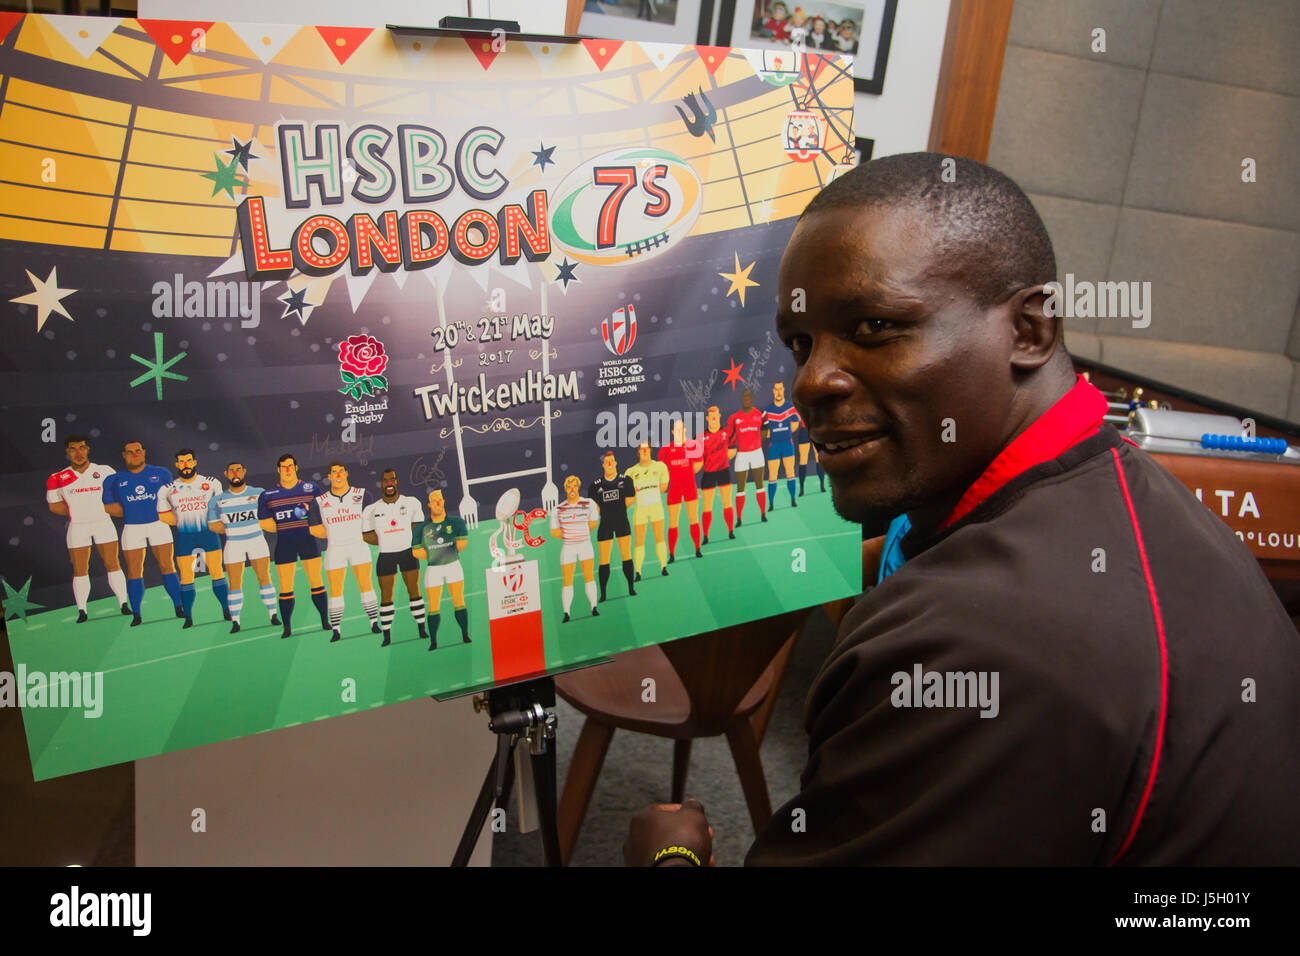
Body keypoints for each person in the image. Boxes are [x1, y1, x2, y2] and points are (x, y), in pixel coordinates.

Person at [625, 152, 1300, 866]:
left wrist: (668, 860)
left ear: (1029, 333)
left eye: (875, 325)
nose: (810, 380)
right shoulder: (1120, 492)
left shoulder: (973, 648)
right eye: (801, 342)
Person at [45, 434, 129, 621]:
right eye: (73, 449)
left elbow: (119, 493)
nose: (78, 453)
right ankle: (82, 610)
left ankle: (123, 603)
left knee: (113, 563)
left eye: (82, 448)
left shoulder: (105, 471)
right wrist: (78, 510)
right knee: (80, 569)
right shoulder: (57, 478)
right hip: (78, 527)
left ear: (88, 449)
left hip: (103, 523)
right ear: (67, 451)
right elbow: (54, 505)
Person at [101, 440, 183, 626]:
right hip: (132, 528)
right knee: (134, 570)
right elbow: (110, 507)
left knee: (167, 566)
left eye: (138, 451)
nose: (134, 454)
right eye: (130, 452)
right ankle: (137, 613)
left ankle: (179, 606)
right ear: (124, 455)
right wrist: (133, 510)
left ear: (144, 452)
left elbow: (173, 498)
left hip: (158, 525)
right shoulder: (114, 479)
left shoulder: (161, 473)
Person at [257, 453, 328, 638]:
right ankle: (287, 627)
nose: (287, 470)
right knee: (286, 586)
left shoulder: (311, 488)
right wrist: (285, 525)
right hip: (285, 544)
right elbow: (265, 523)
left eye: (290, 466)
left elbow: (326, 509)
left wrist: (313, 525)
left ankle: (325, 621)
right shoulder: (267, 495)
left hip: (308, 542)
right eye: (283, 467)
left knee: (316, 581)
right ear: (278, 470)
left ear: (296, 468)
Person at [157, 449, 228, 628]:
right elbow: (164, 516)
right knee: (186, 577)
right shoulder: (167, 489)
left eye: (189, 461)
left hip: (208, 535)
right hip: (185, 537)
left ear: (194, 462)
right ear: (176, 464)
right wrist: (183, 521)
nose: (185, 465)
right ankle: (188, 617)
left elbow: (220, 507)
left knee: (217, 572)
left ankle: (227, 610)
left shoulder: (211, 483)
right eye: (181, 462)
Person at [206, 462, 279, 634]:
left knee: (265, 578)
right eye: (231, 470)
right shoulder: (217, 500)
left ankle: (273, 614)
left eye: (238, 469)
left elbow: (269, 517)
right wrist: (232, 528)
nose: (235, 473)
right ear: (226, 474)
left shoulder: (259, 493)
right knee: (235, 583)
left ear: (244, 471)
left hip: (257, 541)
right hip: (234, 544)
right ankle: (236, 621)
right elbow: (212, 525)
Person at [313, 461, 380, 643]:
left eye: (341, 471)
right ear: (329, 477)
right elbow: (314, 528)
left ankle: (374, 622)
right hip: (335, 549)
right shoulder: (320, 501)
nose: (338, 475)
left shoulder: (363, 495)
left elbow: (372, 520)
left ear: (346, 473)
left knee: (366, 584)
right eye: (334, 472)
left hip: (358, 546)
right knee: (335, 590)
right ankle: (336, 629)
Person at [361, 468, 427, 646]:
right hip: (386, 555)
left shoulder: (412, 502)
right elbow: (367, 535)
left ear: (397, 482)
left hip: (407, 552)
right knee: (386, 595)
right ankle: (387, 635)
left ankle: (422, 629)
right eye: (385, 480)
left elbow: (418, 527)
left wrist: (403, 538)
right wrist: (386, 540)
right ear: (381, 484)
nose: (389, 484)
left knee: (414, 591)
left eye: (392, 480)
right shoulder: (371, 509)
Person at [413, 489, 470, 650]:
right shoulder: (421, 528)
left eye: (440, 499)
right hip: (434, 569)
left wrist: (445, 551)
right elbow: (416, 551)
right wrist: (434, 555)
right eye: (434, 500)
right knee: (433, 605)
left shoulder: (457, 522)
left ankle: (465, 634)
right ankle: (433, 641)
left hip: (453, 565)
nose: (437, 503)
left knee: (459, 601)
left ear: (443, 501)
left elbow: (462, 543)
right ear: (429, 505)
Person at [587, 451, 637, 602]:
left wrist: (618, 510)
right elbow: (593, 506)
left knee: (626, 554)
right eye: (606, 461)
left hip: (622, 521)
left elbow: (630, 499)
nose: (609, 463)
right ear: (603, 465)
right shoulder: (595, 485)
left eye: (612, 461)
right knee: (604, 559)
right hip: (605, 524)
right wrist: (606, 513)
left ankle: (630, 587)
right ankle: (603, 594)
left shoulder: (626, 480)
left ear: (615, 463)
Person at [550, 475, 600, 622]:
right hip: (568, 548)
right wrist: (569, 536)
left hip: (585, 545)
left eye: (574, 486)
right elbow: (554, 532)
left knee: (589, 576)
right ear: (565, 489)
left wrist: (580, 534)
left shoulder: (589, 503)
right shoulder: (558, 509)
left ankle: (594, 607)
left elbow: (593, 523)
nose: (572, 489)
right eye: (569, 486)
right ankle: (567, 612)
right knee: (567, 580)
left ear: (578, 487)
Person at [658, 419, 704, 561]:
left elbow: (698, 464)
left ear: (685, 430)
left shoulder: (693, 445)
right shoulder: (665, 450)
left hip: (690, 487)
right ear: (672, 431)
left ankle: (697, 548)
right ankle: (672, 554)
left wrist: (687, 473)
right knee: (673, 521)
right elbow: (662, 470)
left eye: (681, 428)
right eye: (676, 429)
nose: (679, 431)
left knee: (693, 518)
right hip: (674, 489)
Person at [625, 441, 670, 581]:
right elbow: (628, 493)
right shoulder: (631, 472)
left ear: (650, 450)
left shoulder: (660, 466)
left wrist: (651, 495)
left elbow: (663, 486)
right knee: (639, 541)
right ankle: (638, 571)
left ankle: (663, 566)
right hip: (641, 510)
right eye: (642, 449)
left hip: (656, 507)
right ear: (638, 451)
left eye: (647, 449)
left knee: (659, 537)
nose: (644, 451)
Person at [726, 389, 766, 525]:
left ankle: (762, 514)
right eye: (744, 396)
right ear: (741, 399)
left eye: (748, 396)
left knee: (759, 484)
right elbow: (729, 438)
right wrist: (733, 443)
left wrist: (755, 438)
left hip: (757, 453)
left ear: (752, 398)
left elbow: (765, 433)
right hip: (741, 454)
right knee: (740, 487)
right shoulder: (734, 418)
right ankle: (739, 518)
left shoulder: (759, 414)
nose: (746, 398)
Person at [698, 406, 737, 543]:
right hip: (708, 474)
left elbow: (732, 451)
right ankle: (706, 536)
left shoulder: (727, 433)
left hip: (723, 472)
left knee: (727, 502)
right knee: (707, 506)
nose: (713, 418)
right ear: (707, 418)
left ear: (720, 416)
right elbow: (697, 461)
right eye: (711, 416)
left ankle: (730, 531)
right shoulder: (700, 437)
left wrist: (722, 458)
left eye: (716, 415)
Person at [762, 381, 799, 509]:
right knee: (773, 475)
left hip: (787, 444)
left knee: (790, 472)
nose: (778, 392)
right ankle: (771, 503)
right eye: (776, 389)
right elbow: (763, 431)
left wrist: (786, 432)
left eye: (780, 389)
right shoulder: (767, 411)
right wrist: (770, 434)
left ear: (783, 390)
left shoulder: (790, 408)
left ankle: (793, 499)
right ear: (773, 391)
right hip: (774, 446)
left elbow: (795, 424)